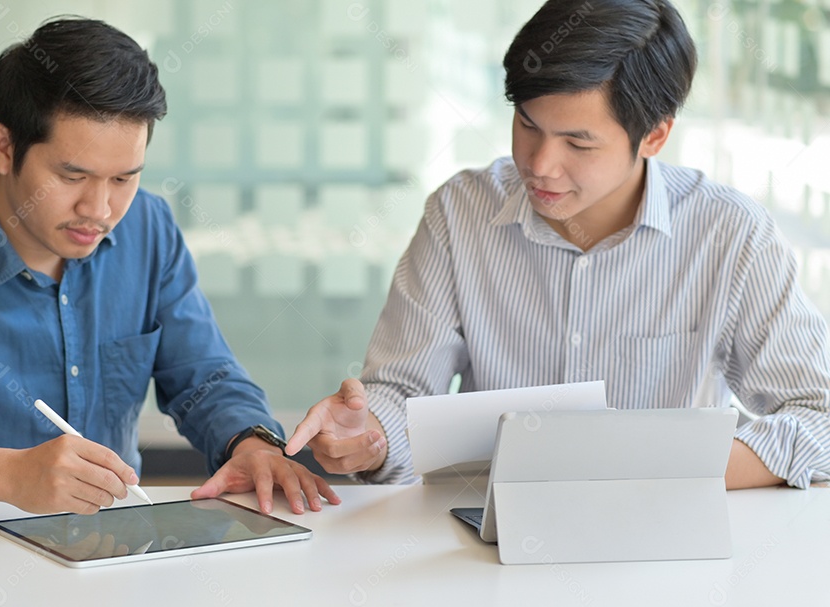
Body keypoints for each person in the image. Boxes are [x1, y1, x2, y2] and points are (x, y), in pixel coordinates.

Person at [287, 0, 830, 489]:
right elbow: (401, 393)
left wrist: (661, 467)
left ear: (656, 136)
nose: (541, 166)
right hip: (484, 543)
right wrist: (370, 435)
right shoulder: (460, 214)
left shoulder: (729, 234)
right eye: (528, 125)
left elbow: (819, 419)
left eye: (578, 142)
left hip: (663, 549)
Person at [0, 18, 338, 516]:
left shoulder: (147, 228)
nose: (100, 211)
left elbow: (204, 376)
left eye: (124, 178)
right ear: (4, 147)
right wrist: (6, 474)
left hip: (109, 551)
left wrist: (251, 443)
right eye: (72, 176)